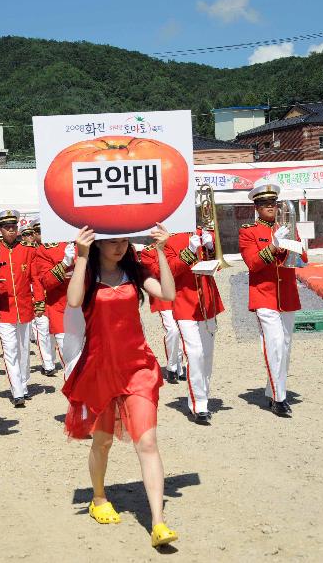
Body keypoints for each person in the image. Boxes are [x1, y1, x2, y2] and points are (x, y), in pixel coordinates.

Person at [62, 224, 178, 548]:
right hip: (100, 370)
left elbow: (168, 293)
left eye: (124, 240)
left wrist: (161, 251)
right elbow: (72, 301)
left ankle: (158, 522)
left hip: (137, 367)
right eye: (112, 241)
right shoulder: (86, 274)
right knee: (102, 443)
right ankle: (98, 498)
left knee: (148, 441)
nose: (119, 247)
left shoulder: (135, 271)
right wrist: (82, 255)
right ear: (97, 244)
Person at [239, 182, 307, 417]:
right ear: (256, 207)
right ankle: (279, 398)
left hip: (287, 294)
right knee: (275, 344)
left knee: (285, 347)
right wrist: (274, 246)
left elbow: (302, 257)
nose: (270, 207)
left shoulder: (286, 226)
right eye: (264, 204)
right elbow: (253, 264)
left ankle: (272, 389)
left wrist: (296, 240)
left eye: (273, 203)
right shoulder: (248, 231)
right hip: (264, 294)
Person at [163, 229, 225, 424]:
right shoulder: (169, 239)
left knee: (207, 355)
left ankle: (201, 395)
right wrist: (189, 250)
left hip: (208, 301)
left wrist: (211, 247)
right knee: (195, 353)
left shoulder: (206, 232)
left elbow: (219, 266)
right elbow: (170, 270)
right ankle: (199, 404)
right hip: (185, 303)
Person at [0, 209, 38, 407]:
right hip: (4, 309)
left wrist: (39, 301)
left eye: (14, 227)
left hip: (25, 306)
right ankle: (17, 391)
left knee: (24, 349)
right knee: (10, 350)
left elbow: (35, 278)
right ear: (0, 229)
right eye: (7, 227)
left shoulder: (28, 249)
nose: (11, 231)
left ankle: (24, 384)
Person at [138, 243, 185, 384]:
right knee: (173, 330)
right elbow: (157, 272)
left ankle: (179, 366)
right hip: (163, 296)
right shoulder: (149, 252)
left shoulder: (179, 243)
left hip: (181, 293)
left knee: (182, 330)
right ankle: (171, 367)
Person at [33, 232, 74, 376]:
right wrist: (64, 263)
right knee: (70, 361)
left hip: (88, 311)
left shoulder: (88, 245)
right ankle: (48, 363)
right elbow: (46, 281)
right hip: (61, 309)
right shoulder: (45, 250)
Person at [28, 217, 59, 376]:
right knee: (43, 330)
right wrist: (37, 300)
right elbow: (34, 278)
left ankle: (52, 358)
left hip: (55, 297)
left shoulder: (56, 248)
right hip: (38, 295)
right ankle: (48, 364)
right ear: (34, 234)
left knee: (54, 331)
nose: (42, 235)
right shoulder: (31, 251)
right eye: (38, 232)